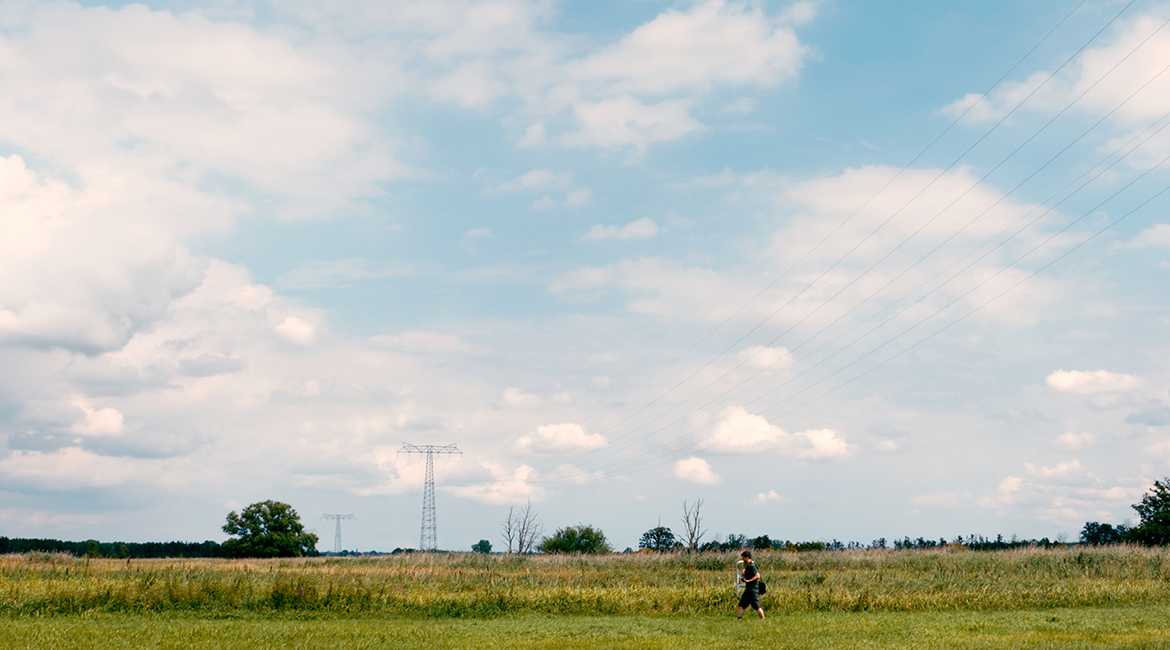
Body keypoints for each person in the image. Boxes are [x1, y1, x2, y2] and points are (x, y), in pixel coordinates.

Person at [737, 550, 765, 620]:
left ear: (747, 557)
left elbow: (758, 576)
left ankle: (763, 619)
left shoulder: (753, 566)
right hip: (748, 589)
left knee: (757, 606)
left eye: (743, 557)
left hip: (753, 590)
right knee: (741, 605)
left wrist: (749, 581)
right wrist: (743, 566)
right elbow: (742, 574)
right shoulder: (748, 566)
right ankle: (739, 618)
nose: (742, 559)